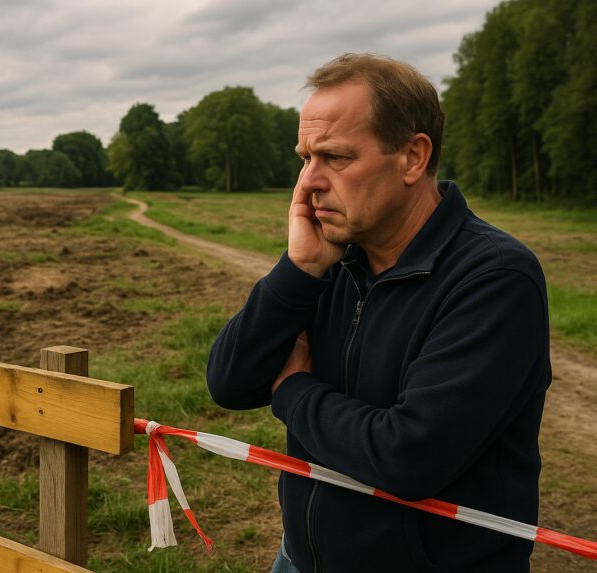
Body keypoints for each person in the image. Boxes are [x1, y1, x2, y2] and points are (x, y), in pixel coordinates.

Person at [206, 53, 551, 572]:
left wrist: (294, 391)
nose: (308, 182)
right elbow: (229, 384)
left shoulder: (494, 278)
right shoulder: (331, 260)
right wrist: (299, 270)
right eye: (305, 158)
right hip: (299, 560)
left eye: (335, 158)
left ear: (412, 157)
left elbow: (408, 456)